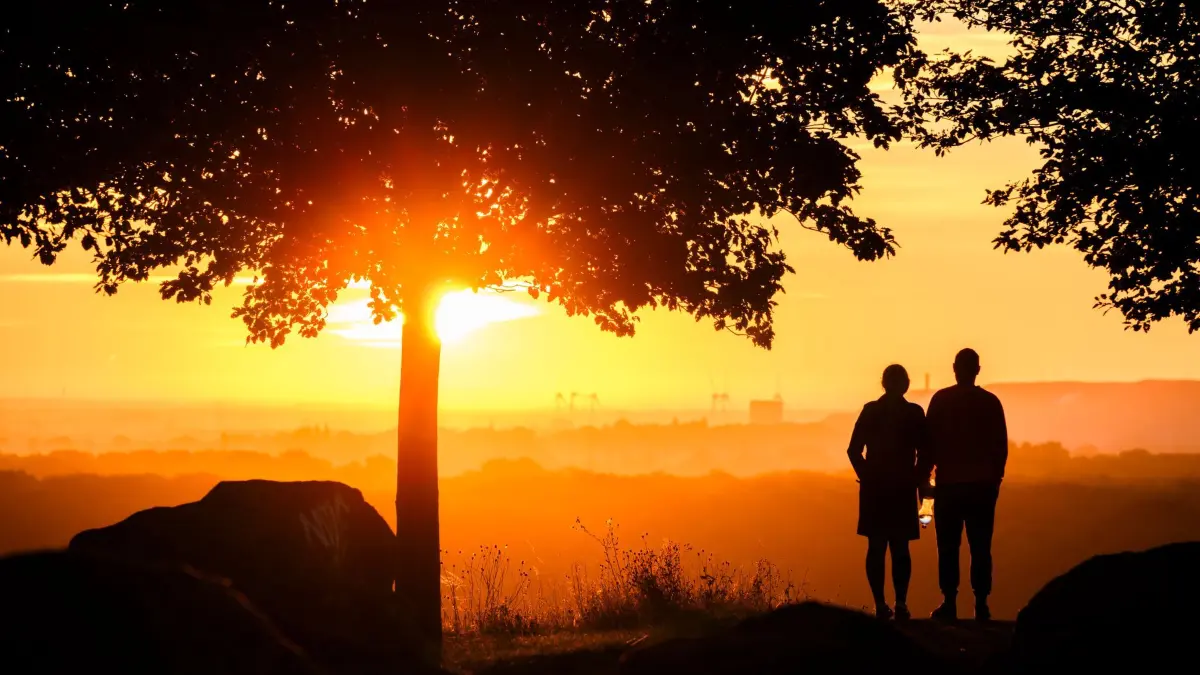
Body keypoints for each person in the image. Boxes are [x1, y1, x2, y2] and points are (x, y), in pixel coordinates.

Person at [925, 348, 1008, 622]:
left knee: (948, 546)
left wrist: (925, 481)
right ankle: (981, 603)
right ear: (978, 370)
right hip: (982, 486)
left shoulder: (941, 400)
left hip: (949, 485)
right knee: (981, 546)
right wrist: (995, 479)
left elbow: (928, 446)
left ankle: (949, 602)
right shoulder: (991, 402)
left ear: (954, 368)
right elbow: (1000, 446)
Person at [847, 364, 931, 620]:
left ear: (883, 384)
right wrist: (917, 481)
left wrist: (867, 476)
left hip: (876, 490)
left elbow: (853, 451)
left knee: (876, 547)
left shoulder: (871, 411)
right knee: (900, 548)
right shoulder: (914, 413)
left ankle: (881, 605)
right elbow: (926, 453)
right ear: (906, 384)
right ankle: (901, 603)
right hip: (902, 488)